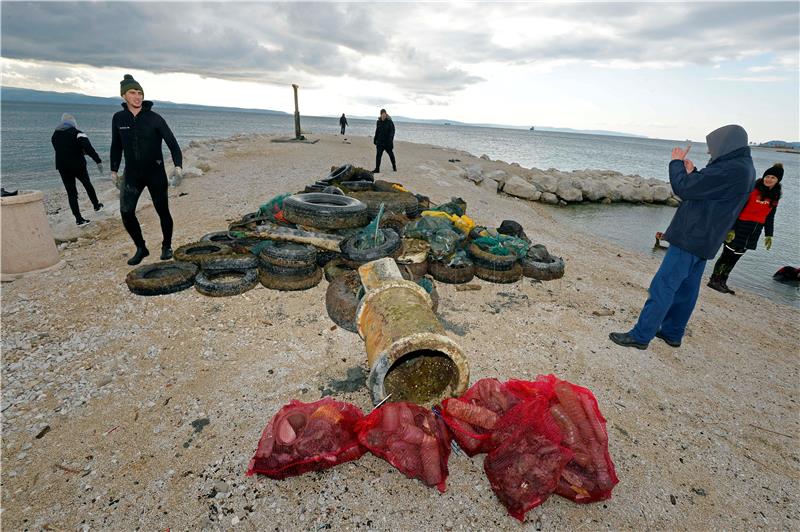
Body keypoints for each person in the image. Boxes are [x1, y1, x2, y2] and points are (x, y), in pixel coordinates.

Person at [609, 124, 755, 349]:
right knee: (687, 289)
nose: (709, 152)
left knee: (663, 286)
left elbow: (683, 189)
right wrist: (694, 173)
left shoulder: (729, 168)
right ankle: (672, 332)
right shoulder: (743, 167)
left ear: (726, 143)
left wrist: (676, 163)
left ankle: (640, 336)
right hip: (707, 239)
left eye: (712, 147)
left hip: (691, 236)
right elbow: (711, 192)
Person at [110, 74, 182, 265]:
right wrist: (113, 169)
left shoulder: (155, 118)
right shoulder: (118, 118)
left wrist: (178, 166)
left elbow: (172, 143)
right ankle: (141, 248)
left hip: (155, 172)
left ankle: (167, 246)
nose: (137, 96)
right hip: (132, 174)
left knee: (163, 211)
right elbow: (116, 145)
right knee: (126, 212)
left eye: (140, 93)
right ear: (124, 95)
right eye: (133, 92)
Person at [707, 163, 783, 294]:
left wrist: (769, 235)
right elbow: (736, 210)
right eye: (767, 176)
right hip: (739, 227)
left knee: (736, 257)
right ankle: (714, 280)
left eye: (773, 178)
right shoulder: (752, 190)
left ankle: (723, 281)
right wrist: (731, 228)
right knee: (727, 255)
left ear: (777, 181)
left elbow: (770, 218)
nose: (768, 179)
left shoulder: (774, 197)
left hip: (754, 232)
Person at [51, 113, 104, 226]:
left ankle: (79, 219)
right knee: (87, 184)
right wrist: (97, 160)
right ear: (73, 123)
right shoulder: (78, 133)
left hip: (62, 167)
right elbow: (88, 148)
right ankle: (96, 205)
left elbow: (61, 150)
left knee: (71, 193)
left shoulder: (55, 135)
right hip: (77, 165)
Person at [373, 108, 396, 173]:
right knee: (378, 156)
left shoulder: (389, 122)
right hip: (380, 142)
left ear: (386, 114)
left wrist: (390, 140)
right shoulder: (378, 122)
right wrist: (375, 139)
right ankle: (377, 169)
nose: (383, 116)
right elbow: (377, 131)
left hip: (387, 142)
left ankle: (394, 166)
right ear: (380, 115)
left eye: (384, 114)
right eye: (382, 114)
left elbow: (392, 131)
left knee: (391, 154)